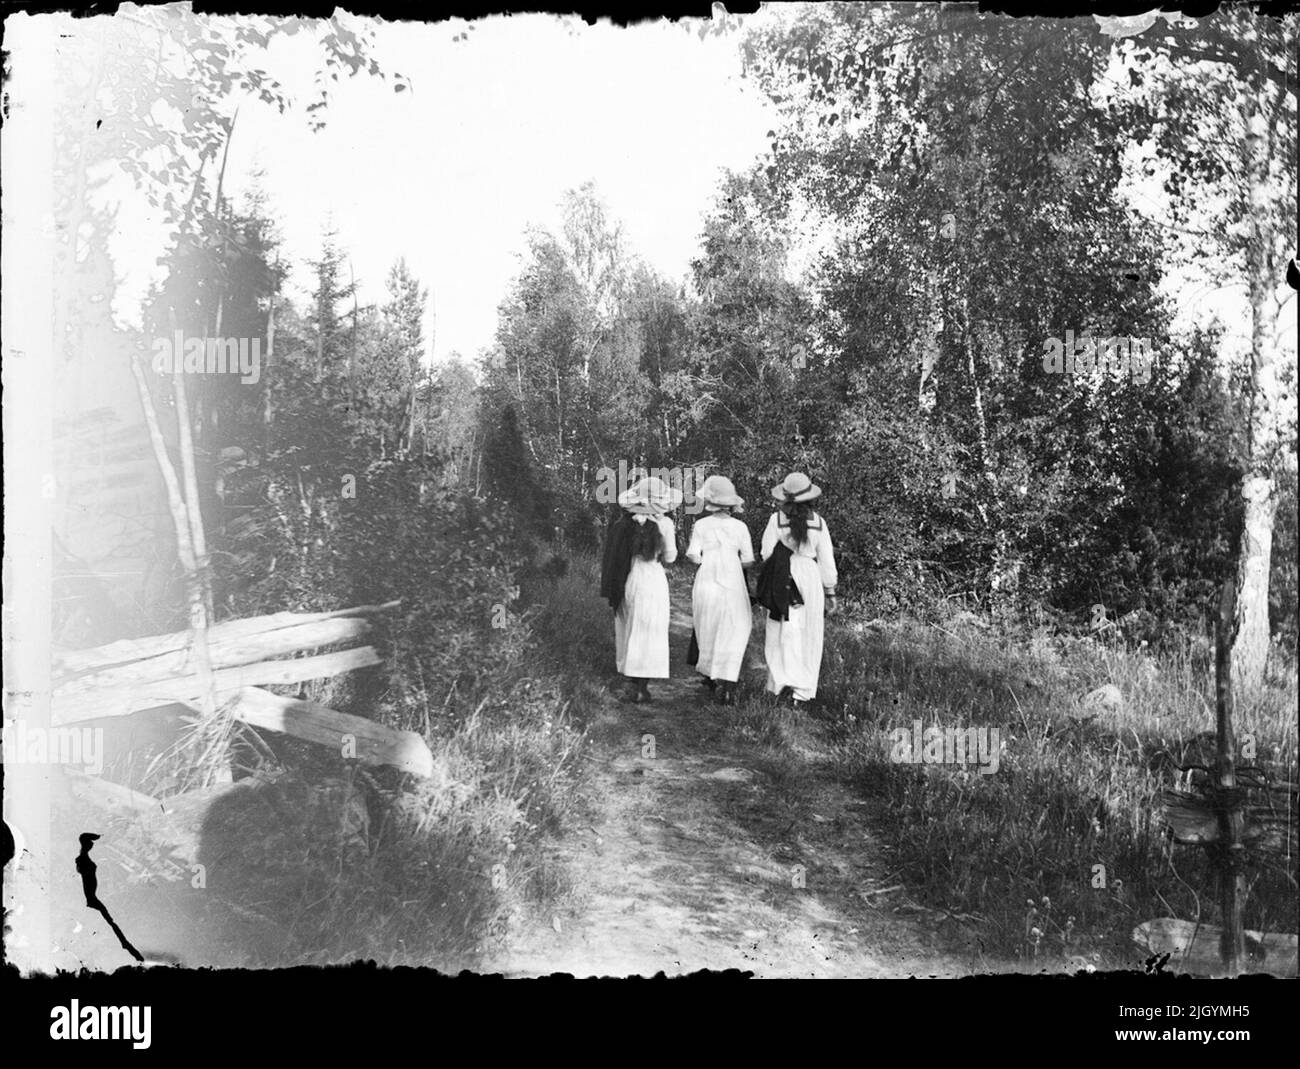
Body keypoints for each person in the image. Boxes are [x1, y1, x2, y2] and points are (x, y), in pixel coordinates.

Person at [757, 472, 838, 706]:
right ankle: (801, 693)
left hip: (783, 576)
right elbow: (827, 561)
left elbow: (766, 553)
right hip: (810, 578)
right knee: (808, 631)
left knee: (780, 629)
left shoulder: (776, 520)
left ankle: (777, 684)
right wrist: (830, 591)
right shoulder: (819, 523)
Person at [599, 475, 681, 703]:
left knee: (629, 625)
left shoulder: (624, 523)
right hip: (653, 577)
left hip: (629, 577)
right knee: (651, 628)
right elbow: (671, 557)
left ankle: (632, 682)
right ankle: (643, 687)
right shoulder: (664, 524)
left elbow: (614, 556)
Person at [685, 475, 754, 705]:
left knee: (708, 624)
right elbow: (749, 559)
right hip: (732, 578)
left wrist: (710, 556)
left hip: (707, 578)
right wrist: (730, 559)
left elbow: (694, 555)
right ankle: (728, 683)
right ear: (731, 504)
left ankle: (712, 676)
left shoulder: (702, 525)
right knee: (734, 625)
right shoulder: (740, 527)